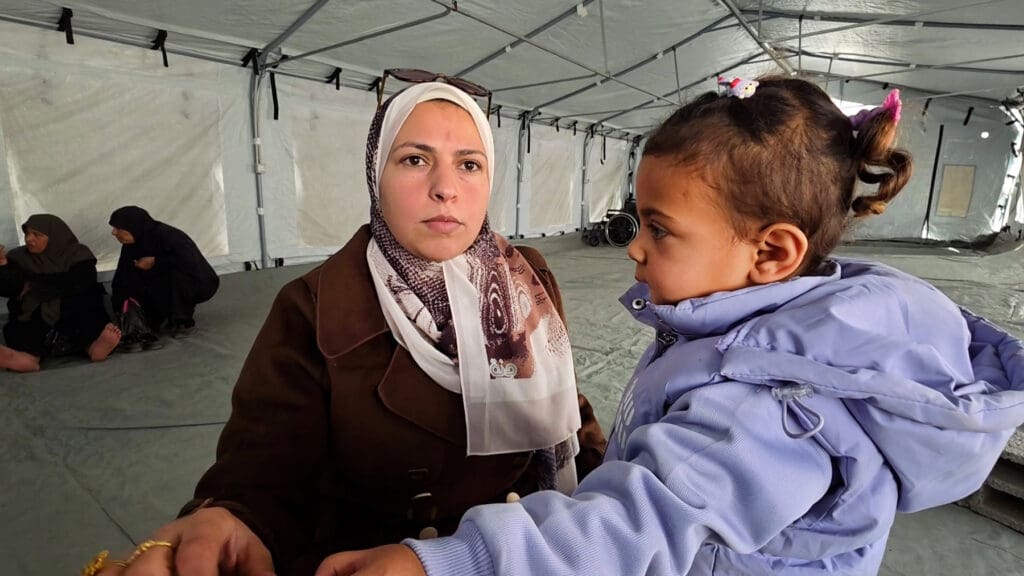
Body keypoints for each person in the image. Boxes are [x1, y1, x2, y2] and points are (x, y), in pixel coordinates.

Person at [316, 77, 1024, 575]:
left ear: (772, 253)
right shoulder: (751, 334)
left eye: (660, 228)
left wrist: (453, 563)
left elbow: (637, 521)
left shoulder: (775, 403)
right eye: (414, 161)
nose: (634, 244)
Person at [85, 79, 605, 576]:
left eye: (469, 164)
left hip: (521, 552)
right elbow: (265, 463)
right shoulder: (314, 306)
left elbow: (566, 405)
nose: (446, 188)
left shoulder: (526, 278)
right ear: (375, 174)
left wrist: (600, 490)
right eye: (415, 160)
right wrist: (233, 515)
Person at [0, 214, 120, 372]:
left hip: (72, 308)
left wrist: (33, 283)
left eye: (37, 234)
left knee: (86, 310)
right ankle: (27, 359)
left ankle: (94, 347)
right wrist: (3, 266)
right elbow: (11, 288)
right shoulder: (18, 257)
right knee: (24, 325)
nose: (29, 239)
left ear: (54, 235)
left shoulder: (77, 253)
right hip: (36, 312)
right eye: (27, 233)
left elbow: (81, 281)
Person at [108, 206, 219, 339]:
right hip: (162, 282)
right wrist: (121, 312)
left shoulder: (170, 236)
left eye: (118, 229)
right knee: (133, 277)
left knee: (172, 275)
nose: (114, 233)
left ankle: (182, 320)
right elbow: (121, 278)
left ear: (134, 227)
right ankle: (151, 319)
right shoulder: (131, 245)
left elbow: (192, 265)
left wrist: (156, 261)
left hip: (199, 283)